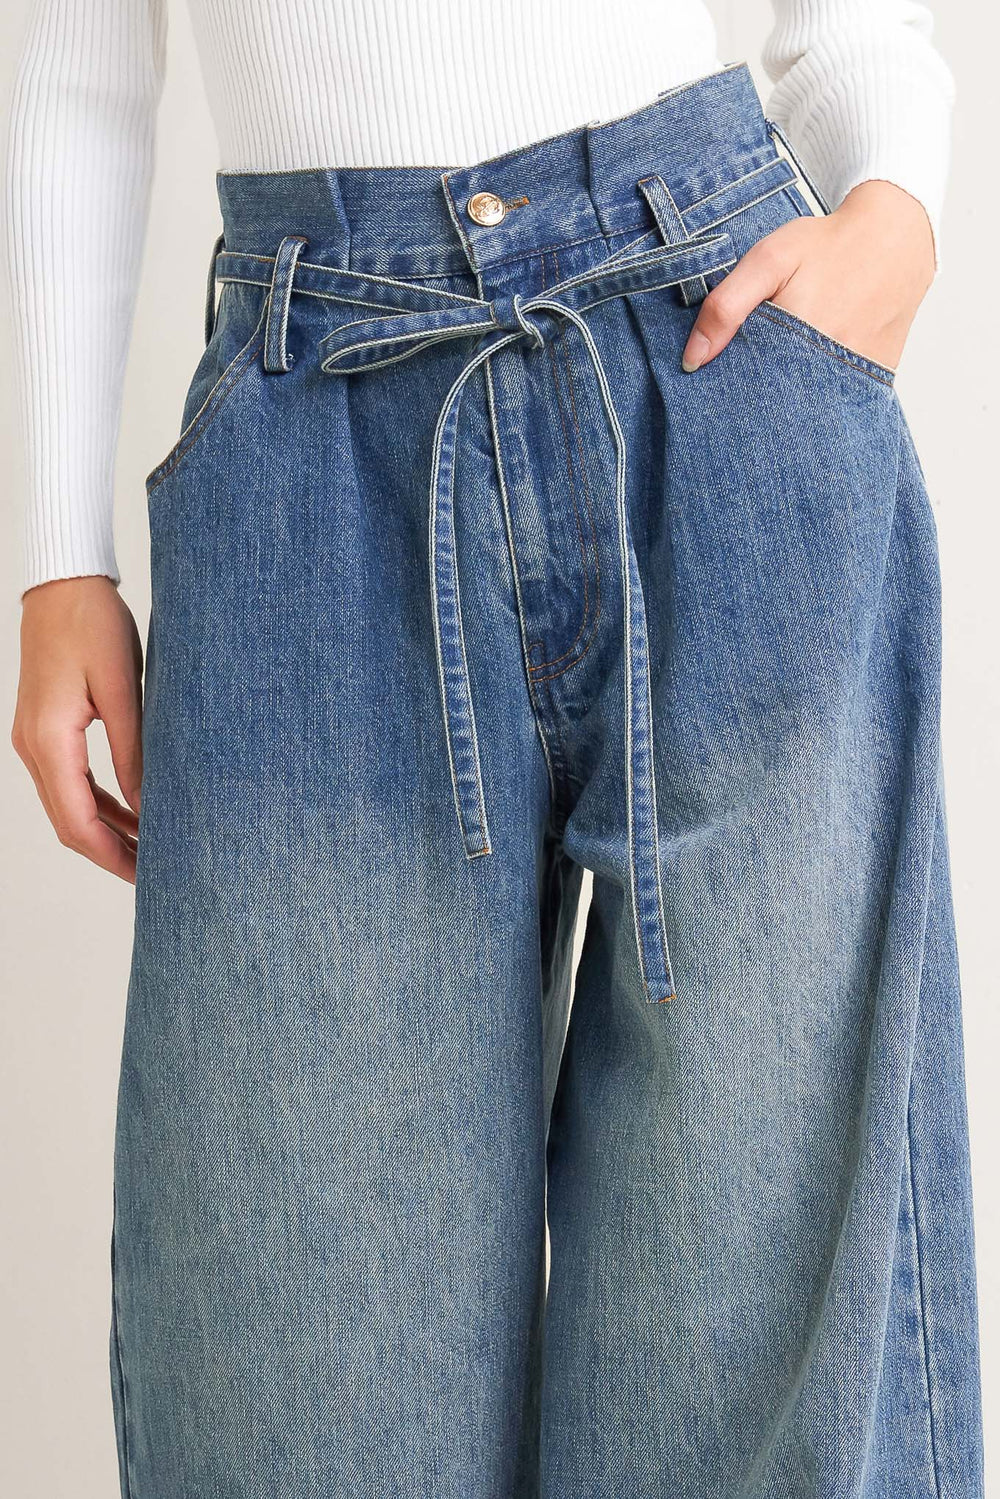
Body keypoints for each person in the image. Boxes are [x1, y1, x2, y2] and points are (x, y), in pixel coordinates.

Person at [4, 2, 984, 1495]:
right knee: (302, 1372)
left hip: (709, 352)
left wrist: (895, 198)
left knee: (770, 1351)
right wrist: (55, 552)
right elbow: (70, 54)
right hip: (311, 425)